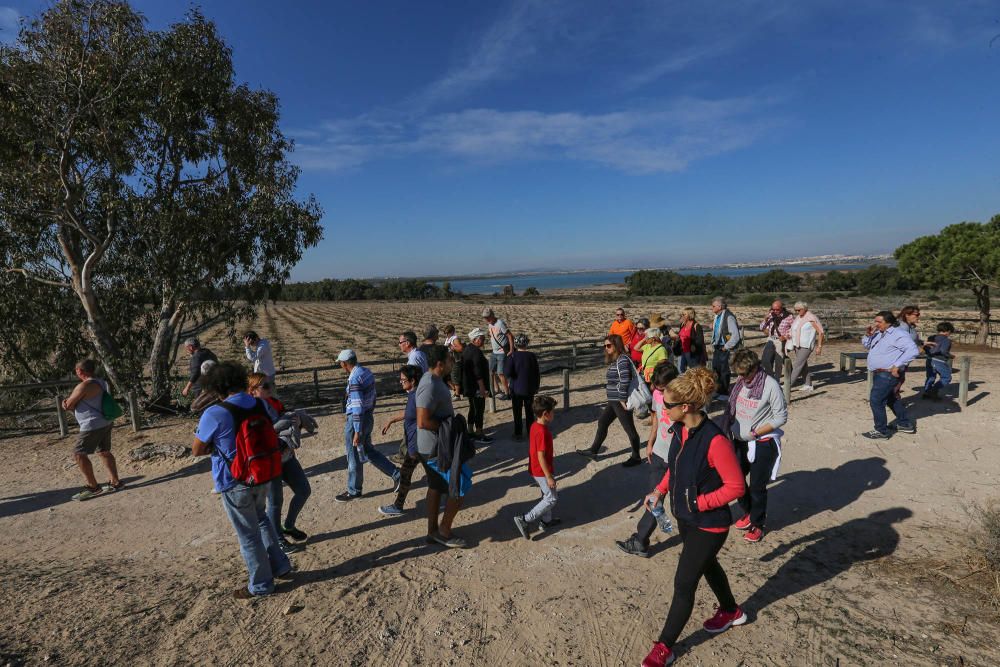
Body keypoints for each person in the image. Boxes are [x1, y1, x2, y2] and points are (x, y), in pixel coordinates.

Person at [639, 367, 747, 667]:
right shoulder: (681, 430)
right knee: (708, 564)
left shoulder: (715, 440)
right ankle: (731, 611)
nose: (663, 408)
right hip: (687, 518)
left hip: (709, 524)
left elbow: (736, 487)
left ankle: (664, 648)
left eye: (668, 405)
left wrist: (700, 502)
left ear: (685, 407)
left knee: (684, 583)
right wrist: (660, 491)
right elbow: (675, 466)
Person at [191, 361, 291, 599]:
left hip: (233, 479)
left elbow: (196, 450)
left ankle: (261, 585)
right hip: (262, 472)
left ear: (216, 387)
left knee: (248, 535)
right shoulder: (260, 404)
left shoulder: (214, 413)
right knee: (262, 519)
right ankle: (281, 565)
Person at [723, 349, 788, 543]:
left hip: (761, 443)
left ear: (754, 368)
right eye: (738, 374)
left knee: (757, 487)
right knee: (736, 482)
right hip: (739, 441)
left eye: (743, 373)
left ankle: (758, 523)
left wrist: (756, 432)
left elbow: (781, 417)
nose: (740, 377)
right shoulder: (741, 383)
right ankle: (749, 511)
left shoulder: (770, 385)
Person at [616, 361, 679, 558]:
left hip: (677, 458)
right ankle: (641, 540)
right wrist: (650, 442)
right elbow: (656, 419)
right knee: (654, 499)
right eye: (656, 387)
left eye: (661, 388)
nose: (658, 391)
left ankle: (694, 534)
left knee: (680, 505)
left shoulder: (684, 400)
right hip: (659, 453)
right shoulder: (658, 395)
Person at [249, 373, 312, 553]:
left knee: (303, 490)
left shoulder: (274, 403)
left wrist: (296, 422)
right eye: (265, 386)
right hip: (269, 461)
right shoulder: (252, 410)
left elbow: (288, 422)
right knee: (275, 502)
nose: (270, 388)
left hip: (285, 456)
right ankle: (277, 538)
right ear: (252, 391)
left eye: (270, 385)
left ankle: (288, 526)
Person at [416, 344, 469, 548]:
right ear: (440, 364)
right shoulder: (430, 383)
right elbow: (422, 421)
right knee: (461, 485)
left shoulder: (434, 380)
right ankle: (444, 531)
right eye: (449, 359)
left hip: (433, 446)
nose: (452, 361)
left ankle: (433, 532)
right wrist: (449, 427)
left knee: (436, 487)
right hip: (435, 448)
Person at [335, 349, 400, 501]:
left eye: (340, 363)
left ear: (345, 364)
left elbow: (356, 406)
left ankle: (354, 490)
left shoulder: (354, 379)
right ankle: (397, 474)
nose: (340, 366)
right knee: (369, 451)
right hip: (367, 416)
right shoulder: (366, 372)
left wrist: (357, 431)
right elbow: (373, 396)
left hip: (357, 421)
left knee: (353, 456)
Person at [576, 334, 643, 467]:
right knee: (603, 422)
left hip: (619, 401)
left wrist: (623, 398)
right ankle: (593, 450)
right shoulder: (617, 359)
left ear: (617, 345)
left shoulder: (622, 360)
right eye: (604, 346)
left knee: (630, 429)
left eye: (608, 345)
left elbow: (625, 380)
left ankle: (636, 457)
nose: (606, 348)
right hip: (614, 400)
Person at [63, 359, 122, 501]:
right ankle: (115, 481)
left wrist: (64, 402)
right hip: (105, 421)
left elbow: (69, 405)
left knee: (79, 454)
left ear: (79, 371)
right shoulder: (102, 382)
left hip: (91, 425)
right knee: (104, 451)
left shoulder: (83, 386)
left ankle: (93, 487)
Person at [861, 311, 920, 439]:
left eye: (879, 322)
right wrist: (868, 335)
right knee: (890, 399)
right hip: (880, 373)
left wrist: (898, 364)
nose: (876, 324)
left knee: (876, 400)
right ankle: (905, 424)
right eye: (875, 321)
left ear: (889, 322)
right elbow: (867, 345)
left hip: (888, 374)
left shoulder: (898, 334)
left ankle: (881, 430)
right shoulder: (878, 333)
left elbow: (913, 350)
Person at [378, 364, 424, 517]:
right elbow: (409, 412)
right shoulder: (413, 394)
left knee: (405, 475)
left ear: (413, 380)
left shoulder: (418, 395)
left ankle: (398, 506)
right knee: (435, 472)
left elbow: (423, 418)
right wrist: (392, 419)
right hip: (417, 444)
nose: (401, 382)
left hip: (417, 445)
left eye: (403, 380)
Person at [513, 395, 560, 540]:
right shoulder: (543, 432)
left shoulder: (534, 425)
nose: (554, 414)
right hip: (541, 471)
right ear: (546, 414)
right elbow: (541, 456)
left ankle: (546, 521)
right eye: (553, 411)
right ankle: (525, 519)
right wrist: (549, 476)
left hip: (536, 469)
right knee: (551, 498)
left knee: (545, 494)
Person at [504, 333, 541, 441]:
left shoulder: (512, 356)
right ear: (527, 343)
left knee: (517, 412)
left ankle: (518, 433)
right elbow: (536, 373)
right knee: (530, 412)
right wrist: (536, 386)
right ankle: (530, 432)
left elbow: (507, 373)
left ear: (515, 344)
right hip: (529, 388)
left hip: (516, 389)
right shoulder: (532, 356)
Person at [462, 328, 492, 442]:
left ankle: (470, 431)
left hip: (470, 387)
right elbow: (478, 373)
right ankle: (479, 433)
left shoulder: (468, 349)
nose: (484, 340)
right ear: (475, 339)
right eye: (482, 338)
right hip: (476, 387)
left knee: (472, 408)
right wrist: (482, 388)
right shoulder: (476, 352)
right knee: (479, 409)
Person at [787, 301, 825, 392]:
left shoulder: (811, 318)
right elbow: (794, 329)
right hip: (797, 345)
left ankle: (787, 386)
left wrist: (819, 346)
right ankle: (808, 384)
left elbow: (821, 332)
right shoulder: (798, 318)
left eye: (798, 310)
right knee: (803, 365)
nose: (797, 312)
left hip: (806, 346)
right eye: (795, 310)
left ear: (804, 309)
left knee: (797, 365)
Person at [709, 297, 741, 397]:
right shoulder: (718, 316)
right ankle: (718, 390)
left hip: (723, 347)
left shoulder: (729, 317)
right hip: (717, 346)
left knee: (724, 370)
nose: (712, 308)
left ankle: (724, 392)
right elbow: (720, 329)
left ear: (720, 306)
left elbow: (735, 335)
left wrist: (726, 347)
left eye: (713, 306)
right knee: (716, 368)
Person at [482, 308, 513, 400]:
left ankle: (507, 394)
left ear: (492, 315)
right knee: (490, 371)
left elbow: (510, 336)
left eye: (487, 317)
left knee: (500, 373)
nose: (486, 319)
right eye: (485, 317)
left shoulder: (500, 323)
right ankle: (495, 390)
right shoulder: (489, 325)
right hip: (494, 352)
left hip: (502, 352)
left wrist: (511, 349)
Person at [758, 301, 793, 379]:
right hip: (770, 339)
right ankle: (770, 377)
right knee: (765, 360)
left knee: (778, 361)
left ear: (782, 308)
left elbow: (794, 329)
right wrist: (765, 319)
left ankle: (776, 380)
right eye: (773, 309)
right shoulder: (770, 315)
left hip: (780, 341)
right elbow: (761, 327)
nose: (775, 311)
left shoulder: (789, 316)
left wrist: (785, 336)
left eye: (777, 309)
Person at [922, 322, 955, 400]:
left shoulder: (931, 337)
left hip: (929, 359)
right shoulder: (946, 340)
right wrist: (950, 356)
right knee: (946, 377)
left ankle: (926, 392)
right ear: (948, 331)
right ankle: (934, 390)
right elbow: (943, 351)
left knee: (930, 377)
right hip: (939, 360)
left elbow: (925, 348)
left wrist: (929, 353)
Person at [670, 308, 707, 372]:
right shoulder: (682, 325)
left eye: (684, 314)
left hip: (692, 352)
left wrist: (694, 346)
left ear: (690, 315)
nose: (682, 316)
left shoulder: (696, 326)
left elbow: (700, 340)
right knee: (681, 369)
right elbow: (681, 336)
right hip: (683, 351)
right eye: (682, 314)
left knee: (694, 370)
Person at [446, 330, 465, 399]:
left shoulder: (455, 339)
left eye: (447, 332)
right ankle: (455, 391)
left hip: (455, 361)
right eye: (445, 333)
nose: (446, 334)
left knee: (455, 377)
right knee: (449, 377)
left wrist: (452, 348)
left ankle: (457, 395)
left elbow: (460, 348)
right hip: (450, 361)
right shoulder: (449, 339)